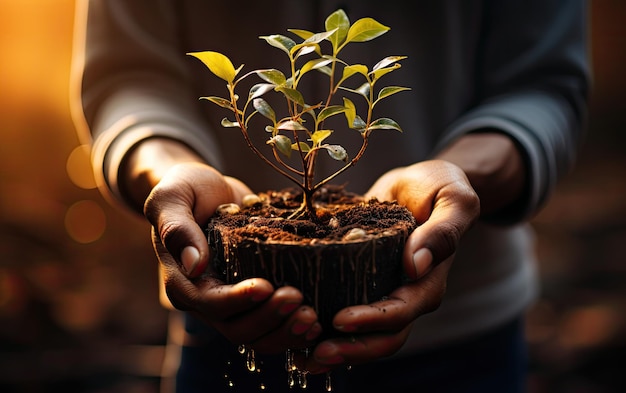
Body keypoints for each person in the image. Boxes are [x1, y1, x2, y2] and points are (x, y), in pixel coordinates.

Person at [70, 1, 590, 392]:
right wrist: (172, 170)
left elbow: (542, 83)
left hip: (464, 342)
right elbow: (128, 76)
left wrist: (460, 176)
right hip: (226, 327)